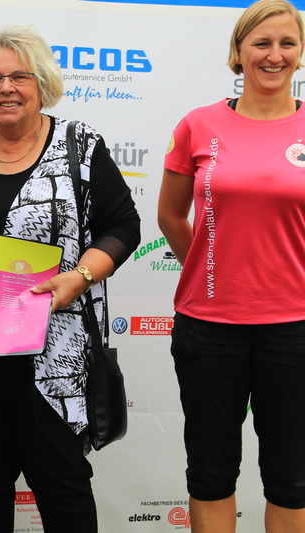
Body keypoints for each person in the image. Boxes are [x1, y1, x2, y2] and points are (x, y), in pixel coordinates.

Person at [0, 24, 140, 533]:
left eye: (19, 76)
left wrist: (79, 277)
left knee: (63, 493)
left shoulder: (80, 146)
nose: (6, 88)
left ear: (41, 83)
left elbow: (124, 227)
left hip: (52, 361)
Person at [158, 0, 305, 531]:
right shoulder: (198, 125)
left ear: (301, 51)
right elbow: (171, 216)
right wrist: (209, 270)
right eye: (261, 43)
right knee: (211, 474)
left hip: (295, 330)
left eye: (287, 43)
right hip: (210, 328)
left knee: (292, 479)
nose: (274, 55)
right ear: (238, 53)